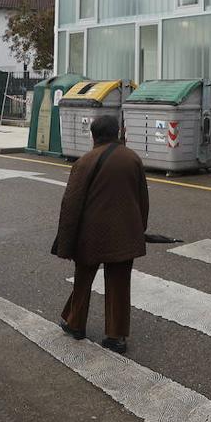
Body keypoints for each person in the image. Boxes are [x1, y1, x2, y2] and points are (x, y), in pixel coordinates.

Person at [54, 114, 149, 353]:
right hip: (125, 233)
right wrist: (139, 229)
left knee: (84, 278)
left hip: (90, 234)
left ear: (93, 135)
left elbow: (71, 204)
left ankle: (76, 324)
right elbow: (142, 200)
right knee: (119, 283)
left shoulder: (84, 162)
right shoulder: (132, 159)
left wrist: (66, 241)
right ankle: (116, 337)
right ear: (118, 132)